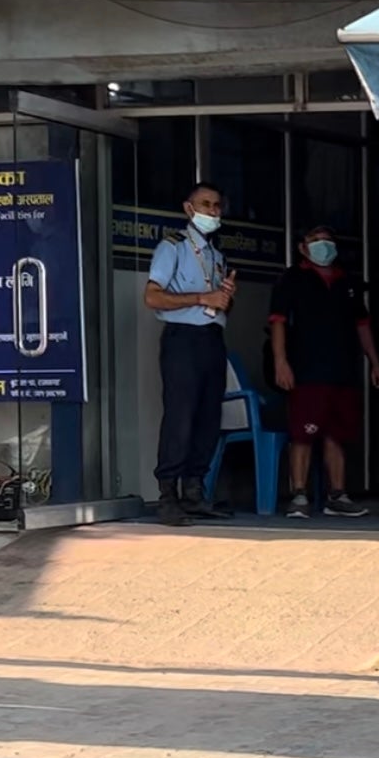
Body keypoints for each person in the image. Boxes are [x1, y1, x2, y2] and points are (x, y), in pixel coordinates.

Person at [269, 225, 379, 519]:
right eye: (316, 240)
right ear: (302, 247)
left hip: (343, 370)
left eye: (328, 241)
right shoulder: (292, 279)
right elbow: (278, 321)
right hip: (306, 369)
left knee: (337, 434)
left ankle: (337, 496)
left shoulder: (347, 282)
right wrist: (281, 361)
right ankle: (298, 496)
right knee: (303, 434)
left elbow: (362, 325)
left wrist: (375, 362)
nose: (324, 246)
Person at [146, 181, 238, 527]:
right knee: (181, 417)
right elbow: (153, 297)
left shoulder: (217, 254)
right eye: (205, 204)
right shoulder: (173, 247)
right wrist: (203, 298)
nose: (212, 211)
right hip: (182, 339)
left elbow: (218, 304)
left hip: (212, 338)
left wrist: (226, 296)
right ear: (189, 208)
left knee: (207, 418)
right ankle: (167, 495)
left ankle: (194, 492)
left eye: (216, 205)